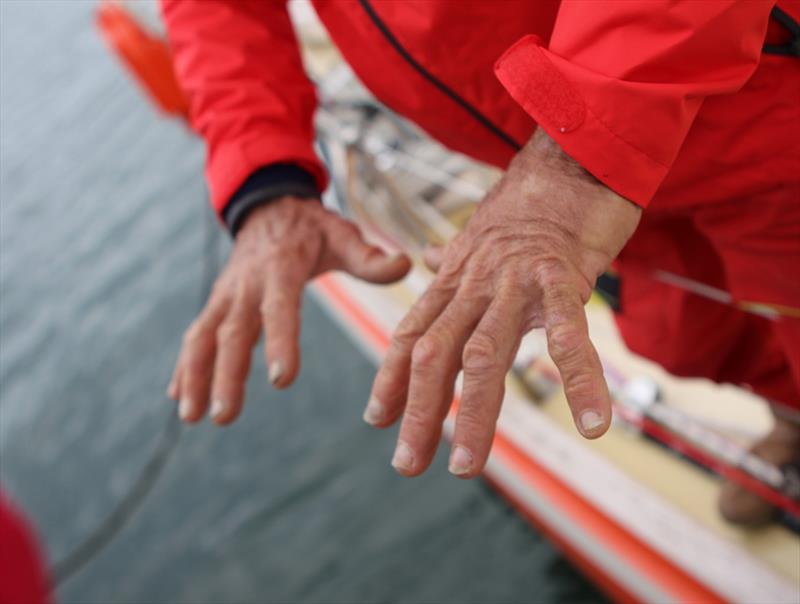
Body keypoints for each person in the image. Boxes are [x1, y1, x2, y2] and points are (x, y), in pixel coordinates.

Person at [160, 1, 800, 526]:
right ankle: (790, 416)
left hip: (754, 100)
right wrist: (264, 176)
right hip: (562, 158)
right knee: (684, 337)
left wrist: (575, 161)